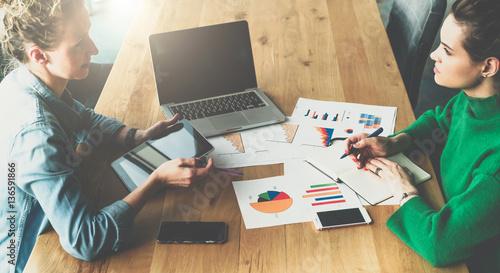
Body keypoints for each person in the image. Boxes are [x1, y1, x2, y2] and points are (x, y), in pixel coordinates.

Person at [0, 1, 213, 272]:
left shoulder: (22, 80)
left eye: (88, 32)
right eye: (79, 42)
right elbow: (85, 240)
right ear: (39, 55)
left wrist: (135, 136)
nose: (94, 49)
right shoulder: (38, 138)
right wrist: (156, 180)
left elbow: (83, 119)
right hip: (28, 258)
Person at [344, 0, 500, 272]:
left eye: (448, 52)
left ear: (488, 67)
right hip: (444, 212)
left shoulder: (495, 166)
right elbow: (441, 120)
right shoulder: (477, 101)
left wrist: (403, 191)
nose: (433, 55)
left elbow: (440, 245)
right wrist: (394, 142)